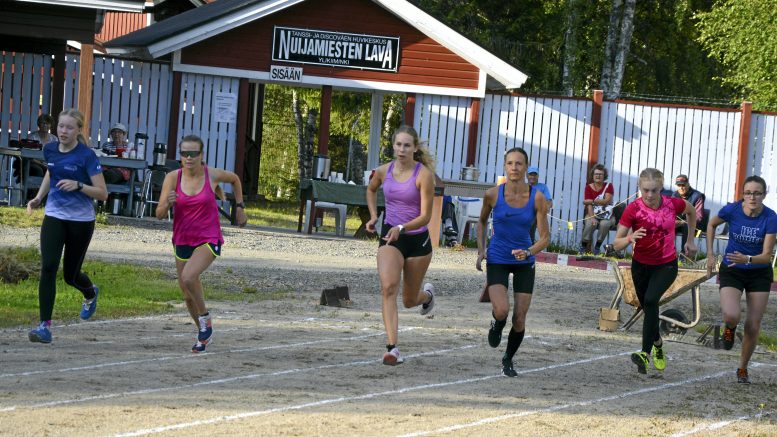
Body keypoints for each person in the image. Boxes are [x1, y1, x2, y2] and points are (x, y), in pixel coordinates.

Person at [156, 135, 247, 353]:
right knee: (187, 295)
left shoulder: (212, 174)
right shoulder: (172, 178)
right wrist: (168, 204)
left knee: (189, 276)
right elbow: (159, 214)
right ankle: (203, 333)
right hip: (182, 239)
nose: (188, 157)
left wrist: (240, 207)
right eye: (184, 153)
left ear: (201, 155)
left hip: (208, 237)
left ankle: (205, 318)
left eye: (193, 153)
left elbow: (235, 179)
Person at [25, 108, 109, 344]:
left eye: (69, 127)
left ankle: (90, 292)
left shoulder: (87, 156)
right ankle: (44, 326)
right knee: (49, 266)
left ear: (78, 130)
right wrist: (39, 198)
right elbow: (51, 172)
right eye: (61, 126)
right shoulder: (49, 149)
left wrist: (79, 186)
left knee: (70, 276)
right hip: (54, 215)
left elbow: (103, 194)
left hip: (81, 221)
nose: (63, 131)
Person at [613, 168, 697, 375]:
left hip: (666, 264)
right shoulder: (633, 209)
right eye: (645, 190)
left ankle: (645, 353)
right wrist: (630, 239)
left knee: (651, 300)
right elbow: (616, 244)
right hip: (640, 266)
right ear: (639, 188)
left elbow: (691, 211)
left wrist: (690, 239)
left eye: (654, 190)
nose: (649, 195)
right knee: (647, 307)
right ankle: (658, 344)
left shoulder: (672, 203)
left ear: (661, 188)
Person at [476, 148, 550, 377]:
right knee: (501, 310)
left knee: (519, 318)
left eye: (519, 163)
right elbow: (481, 222)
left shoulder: (537, 197)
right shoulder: (492, 194)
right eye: (510, 163)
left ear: (526, 167)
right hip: (498, 257)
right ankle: (497, 324)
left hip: (524, 262)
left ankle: (508, 358)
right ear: (505, 166)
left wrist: (529, 252)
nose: (514, 168)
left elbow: (545, 238)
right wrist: (481, 250)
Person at [366, 125, 436, 366]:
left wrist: (402, 228)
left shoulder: (423, 175)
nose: (402, 149)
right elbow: (371, 189)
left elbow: (426, 216)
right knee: (388, 288)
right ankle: (392, 348)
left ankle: (427, 296)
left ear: (415, 148)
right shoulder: (384, 171)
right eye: (398, 145)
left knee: (408, 300)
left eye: (407, 145)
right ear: (393, 146)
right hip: (390, 237)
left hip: (416, 239)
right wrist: (374, 216)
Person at [705, 175, 775, 384]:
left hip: (759, 271)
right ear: (742, 194)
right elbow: (711, 225)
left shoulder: (771, 218)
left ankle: (742, 368)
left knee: (753, 325)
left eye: (757, 193)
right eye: (748, 193)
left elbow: (766, 256)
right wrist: (710, 254)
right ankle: (729, 328)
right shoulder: (732, 210)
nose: (752, 197)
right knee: (731, 314)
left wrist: (748, 258)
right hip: (733, 269)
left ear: (764, 195)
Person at [581, 163, 616, 254]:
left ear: (604, 176)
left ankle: (597, 247)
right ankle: (583, 247)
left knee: (604, 224)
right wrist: (592, 217)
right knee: (590, 223)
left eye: (600, 174)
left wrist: (591, 201)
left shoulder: (609, 186)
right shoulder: (588, 187)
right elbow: (588, 205)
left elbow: (606, 201)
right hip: (593, 213)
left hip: (607, 215)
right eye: (596, 174)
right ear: (593, 175)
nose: (598, 176)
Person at [673, 174, 706, 252]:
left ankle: (685, 255)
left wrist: (683, 222)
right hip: (679, 224)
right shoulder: (674, 195)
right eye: (679, 185)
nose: (681, 188)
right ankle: (667, 253)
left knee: (687, 226)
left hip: (696, 227)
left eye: (683, 185)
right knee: (667, 225)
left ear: (688, 184)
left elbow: (698, 216)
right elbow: (670, 212)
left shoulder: (698, 196)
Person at [527, 165, 552, 243]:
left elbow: (549, 201)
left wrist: (547, 208)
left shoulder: (543, 187)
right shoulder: (523, 187)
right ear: (527, 176)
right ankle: (529, 245)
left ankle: (532, 245)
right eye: (531, 174)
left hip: (539, 213)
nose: (533, 177)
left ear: (538, 176)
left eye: (535, 175)